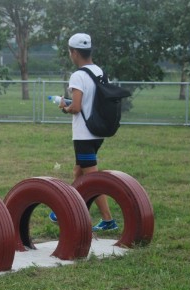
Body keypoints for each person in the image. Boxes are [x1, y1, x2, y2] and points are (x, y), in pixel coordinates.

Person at [50, 33, 117, 231]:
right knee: (79, 172)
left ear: (74, 53)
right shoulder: (100, 71)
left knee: (91, 178)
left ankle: (107, 220)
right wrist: (70, 104)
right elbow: (89, 102)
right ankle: (65, 210)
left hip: (83, 134)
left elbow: (77, 107)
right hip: (98, 133)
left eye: (70, 52)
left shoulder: (78, 75)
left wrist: (65, 107)